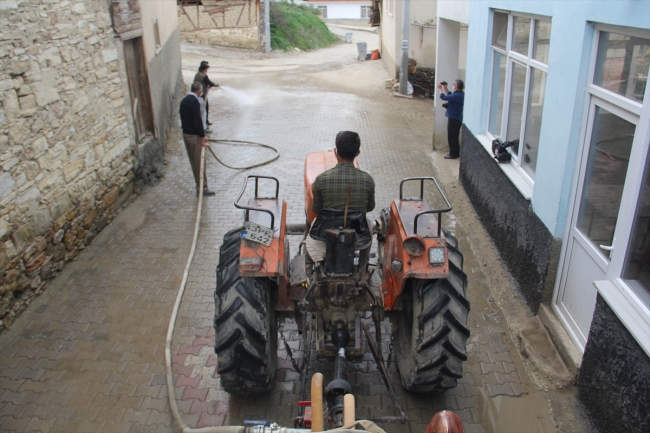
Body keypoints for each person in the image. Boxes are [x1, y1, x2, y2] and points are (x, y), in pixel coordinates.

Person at [305, 131, 376, 270]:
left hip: (325, 237)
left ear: (335, 151)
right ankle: (362, 265)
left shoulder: (321, 179)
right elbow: (369, 208)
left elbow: (316, 209)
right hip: (357, 237)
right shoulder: (368, 180)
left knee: (313, 223)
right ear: (357, 153)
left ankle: (308, 264)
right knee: (369, 224)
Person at [179, 81, 215, 197]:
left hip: (186, 134)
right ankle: (202, 188)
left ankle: (199, 185)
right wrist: (203, 136)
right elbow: (197, 120)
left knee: (193, 161)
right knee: (199, 162)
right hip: (194, 136)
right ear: (199, 91)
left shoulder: (184, 100)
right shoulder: (194, 102)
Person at [437, 79, 465, 159]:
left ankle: (453, 154)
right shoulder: (460, 94)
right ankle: (455, 152)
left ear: (456, 87)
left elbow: (444, 97)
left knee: (452, 137)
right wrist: (445, 87)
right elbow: (449, 95)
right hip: (457, 118)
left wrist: (440, 89)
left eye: (454, 84)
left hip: (454, 118)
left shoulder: (457, 96)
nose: (453, 85)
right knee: (454, 137)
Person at [194, 61, 219, 127]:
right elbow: (209, 82)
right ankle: (204, 123)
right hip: (202, 95)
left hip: (196, 94)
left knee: (199, 109)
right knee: (205, 108)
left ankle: (204, 122)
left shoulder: (197, 74)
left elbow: (204, 83)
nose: (207, 70)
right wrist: (215, 85)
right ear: (204, 69)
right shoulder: (204, 76)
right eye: (207, 69)